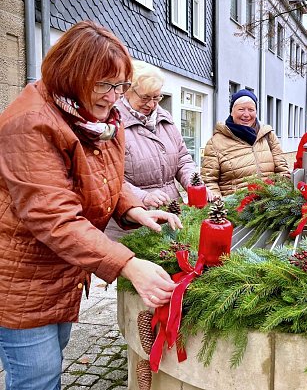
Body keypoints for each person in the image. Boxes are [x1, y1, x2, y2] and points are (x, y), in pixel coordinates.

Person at [0, 21, 182, 390]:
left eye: (120, 86)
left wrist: (132, 208)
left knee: (52, 360)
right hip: (20, 277)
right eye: (104, 84)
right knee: (37, 378)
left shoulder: (98, 120)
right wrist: (128, 264)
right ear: (72, 75)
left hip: (62, 271)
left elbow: (100, 179)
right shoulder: (30, 124)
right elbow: (55, 218)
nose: (114, 96)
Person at [105, 60, 210, 240]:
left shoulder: (165, 119)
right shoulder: (112, 123)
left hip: (171, 216)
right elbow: (109, 175)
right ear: (128, 91)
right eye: (145, 98)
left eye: (156, 97)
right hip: (130, 226)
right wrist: (143, 196)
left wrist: (195, 185)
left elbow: (183, 159)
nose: (152, 104)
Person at [201, 89, 290, 196]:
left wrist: (280, 199)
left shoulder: (268, 135)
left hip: (268, 208)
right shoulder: (215, 142)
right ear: (231, 112)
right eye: (241, 109)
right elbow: (209, 182)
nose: (246, 114)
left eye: (251, 110)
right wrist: (220, 208)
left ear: (256, 112)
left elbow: (282, 171)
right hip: (234, 209)